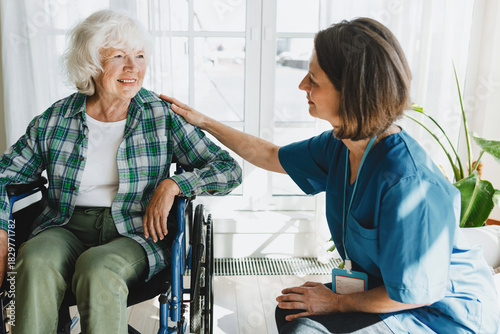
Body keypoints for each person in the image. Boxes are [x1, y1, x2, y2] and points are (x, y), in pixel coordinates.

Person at [163, 17, 500, 334]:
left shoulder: (408, 183)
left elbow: (416, 293)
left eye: (314, 79)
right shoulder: (341, 145)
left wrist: (336, 302)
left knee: (307, 323)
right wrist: (202, 121)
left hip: (439, 314)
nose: (301, 85)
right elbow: (268, 155)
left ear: (352, 92)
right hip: (393, 294)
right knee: (292, 310)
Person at [0, 9, 241, 334]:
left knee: (98, 268)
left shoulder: (161, 116)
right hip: (65, 226)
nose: (133, 67)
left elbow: (228, 169)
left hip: (134, 232)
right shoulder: (55, 119)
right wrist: (2, 230)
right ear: (91, 63)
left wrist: (174, 183)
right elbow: (5, 175)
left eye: (140, 55)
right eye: (118, 56)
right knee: (33, 259)